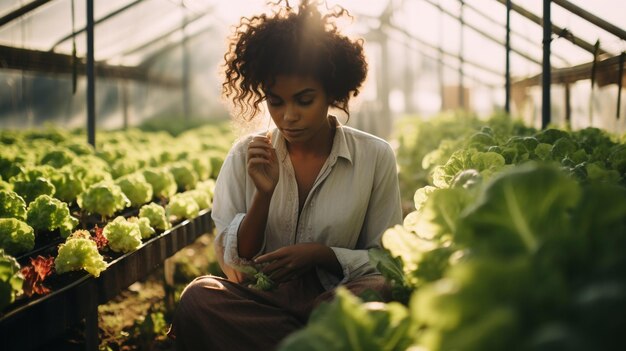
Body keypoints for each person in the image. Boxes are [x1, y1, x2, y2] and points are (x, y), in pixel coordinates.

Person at [168, 1, 402, 350]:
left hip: (335, 301)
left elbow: (386, 260)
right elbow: (233, 264)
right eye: (275, 102)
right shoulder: (247, 155)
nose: (288, 116)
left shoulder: (374, 156)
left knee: (377, 293)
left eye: (304, 100)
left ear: (332, 93)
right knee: (199, 298)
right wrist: (263, 195)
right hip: (262, 304)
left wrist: (322, 254)